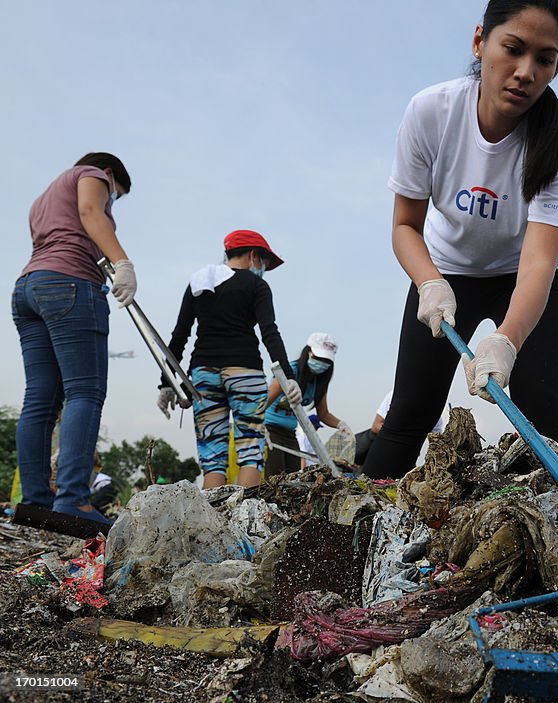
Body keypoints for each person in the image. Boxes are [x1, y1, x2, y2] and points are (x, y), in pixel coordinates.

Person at [360, 0, 558, 479]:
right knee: (410, 411)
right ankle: (356, 527)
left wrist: (507, 338)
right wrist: (429, 284)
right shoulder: (431, 112)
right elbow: (404, 227)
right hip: (447, 270)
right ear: (480, 41)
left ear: (557, 66)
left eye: (544, 59)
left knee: (541, 412)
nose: (525, 72)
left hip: (526, 274)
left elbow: (541, 261)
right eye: (513, 48)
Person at [12, 153, 138, 525]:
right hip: (70, 285)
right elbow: (89, 211)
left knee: (40, 399)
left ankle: (36, 501)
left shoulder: (43, 199)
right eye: (116, 195)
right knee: (85, 391)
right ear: (110, 174)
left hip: (29, 289)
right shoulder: (91, 173)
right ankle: (72, 501)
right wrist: (123, 263)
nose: (111, 200)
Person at [157, 229, 301, 488]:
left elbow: (179, 336)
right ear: (254, 256)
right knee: (250, 451)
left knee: (212, 455)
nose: (264, 269)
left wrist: (166, 382)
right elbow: (270, 331)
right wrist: (288, 377)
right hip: (244, 371)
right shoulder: (257, 285)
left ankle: (212, 522)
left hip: (203, 372)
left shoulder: (199, 283)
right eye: (265, 263)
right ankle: (244, 520)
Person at [263, 332, 347, 477]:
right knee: (274, 476)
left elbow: (323, 414)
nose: (321, 364)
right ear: (308, 353)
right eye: (318, 358)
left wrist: (342, 425)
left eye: (326, 361)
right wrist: (258, 427)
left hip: (290, 434)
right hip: (271, 431)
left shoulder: (319, 382)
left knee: (293, 478)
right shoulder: (289, 372)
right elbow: (262, 403)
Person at [354, 390, 446, 466]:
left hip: (407, 457)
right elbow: (376, 426)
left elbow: (436, 442)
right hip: (378, 452)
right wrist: (402, 435)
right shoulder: (396, 395)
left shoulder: (434, 411)